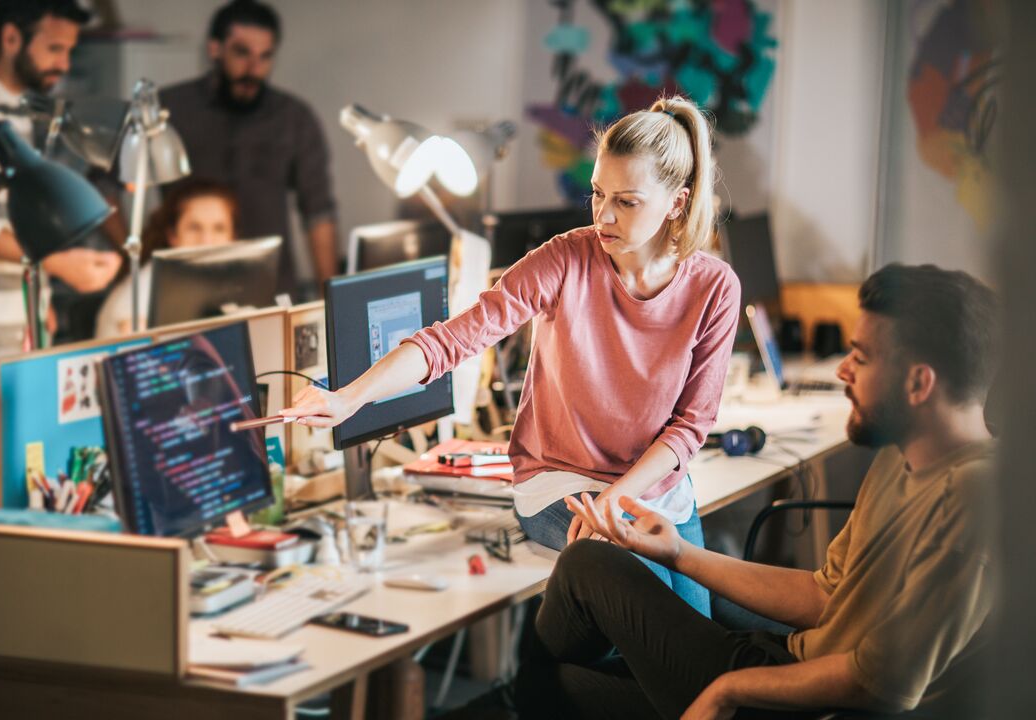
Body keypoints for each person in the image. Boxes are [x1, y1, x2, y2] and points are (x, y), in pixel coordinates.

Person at [283, 95, 739, 616]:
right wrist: (349, 398)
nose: (603, 215)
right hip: (560, 482)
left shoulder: (715, 287)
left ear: (676, 203)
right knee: (659, 614)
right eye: (597, 194)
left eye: (627, 202)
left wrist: (615, 502)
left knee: (699, 640)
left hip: (653, 490)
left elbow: (689, 426)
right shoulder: (567, 258)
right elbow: (452, 340)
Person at [516, 263, 999, 719]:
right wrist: (677, 552)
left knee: (585, 570)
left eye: (862, 357)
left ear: (919, 383)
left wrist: (727, 689)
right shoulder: (905, 453)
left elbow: (879, 682)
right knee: (556, 685)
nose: (842, 370)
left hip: (810, 700)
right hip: (796, 658)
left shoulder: (973, 501)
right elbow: (823, 595)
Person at [0, 0, 121, 435]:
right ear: (11, 37)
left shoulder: (14, 109)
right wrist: (60, 263)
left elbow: (21, 220)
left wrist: (39, 300)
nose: (63, 64)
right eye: (54, 49)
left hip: (15, 316)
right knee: (12, 458)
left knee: (37, 453)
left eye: (69, 51)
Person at [159, 0, 338, 301]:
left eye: (265, 57)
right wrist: (128, 264)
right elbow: (107, 184)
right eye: (242, 53)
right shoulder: (170, 109)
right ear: (215, 49)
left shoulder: (293, 117)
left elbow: (318, 212)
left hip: (272, 289)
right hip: (185, 288)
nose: (253, 69)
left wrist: (331, 302)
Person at [95, 178, 237, 338]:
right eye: (194, 228)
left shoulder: (222, 284)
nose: (206, 240)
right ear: (173, 236)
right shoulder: (145, 286)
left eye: (219, 228)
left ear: (232, 236)